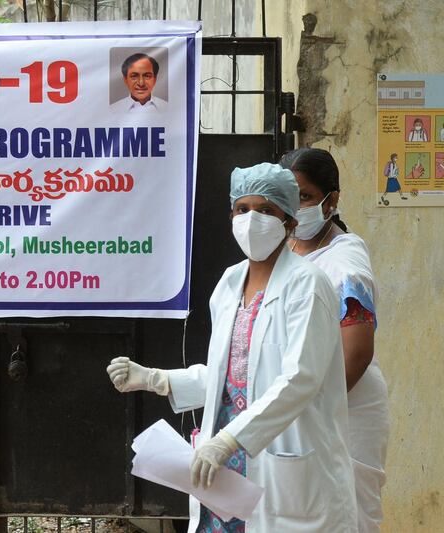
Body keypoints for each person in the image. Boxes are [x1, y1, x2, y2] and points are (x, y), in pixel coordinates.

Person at [107, 163, 357, 532]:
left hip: (280, 464)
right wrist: (159, 380)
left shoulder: (308, 285)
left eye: (266, 209)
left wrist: (229, 439)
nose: (252, 219)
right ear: (231, 215)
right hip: (224, 470)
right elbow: (237, 377)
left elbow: (300, 379)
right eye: (243, 209)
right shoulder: (229, 283)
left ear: (289, 221)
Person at [281, 148, 389, 533]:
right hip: (299, 408)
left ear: (332, 200)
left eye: (306, 196)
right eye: (288, 196)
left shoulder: (344, 260)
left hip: (347, 409)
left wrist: (307, 408)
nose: (296, 207)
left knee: (349, 518)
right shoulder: (284, 253)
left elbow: (356, 350)